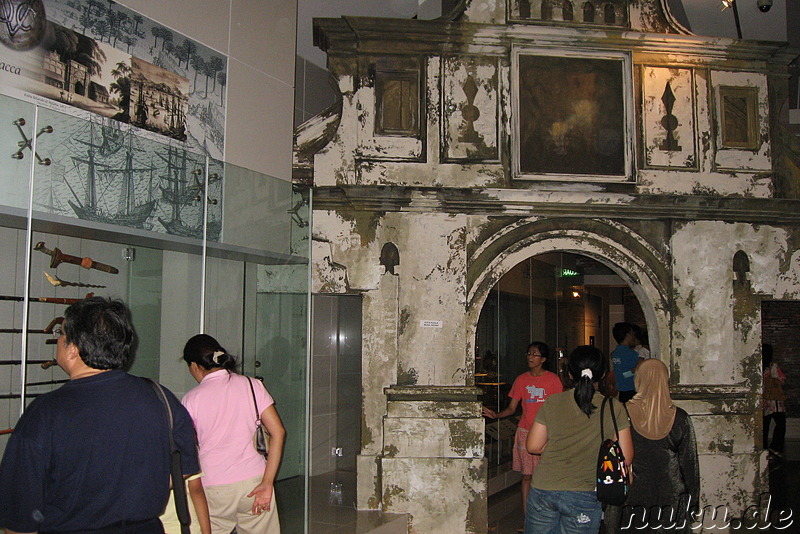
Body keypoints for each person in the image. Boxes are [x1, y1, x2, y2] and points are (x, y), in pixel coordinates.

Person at [0, 296, 200, 534]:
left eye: (62, 334)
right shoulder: (160, 396)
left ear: (73, 349)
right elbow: (183, 468)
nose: (59, 340)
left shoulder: (46, 411)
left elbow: (20, 514)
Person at [182, 334, 286, 534]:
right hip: (255, 481)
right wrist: (267, 482)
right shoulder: (252, 385)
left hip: (213, 486)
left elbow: (188, 447)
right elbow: (278, 432)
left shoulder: (191, 400)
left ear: (195, 365)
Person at [525, 345, 633, 534]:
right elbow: (626, 456)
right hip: (585, 491)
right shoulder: (613, 407)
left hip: (544, 488)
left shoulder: (553, 402)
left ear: (570, 374)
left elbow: (533, 446)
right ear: (603, 374)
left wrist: (561, 444)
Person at [482, 342, 563, 528]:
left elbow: (558, 408)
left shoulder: (553, 380)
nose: (530, 357)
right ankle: (528, 518)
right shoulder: (521, 380)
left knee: (545, 475)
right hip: (526, 431)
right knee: (527, 476)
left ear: (543, 359)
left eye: (534, 354)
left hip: (546, 433)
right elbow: (512, 408)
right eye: (528, 353)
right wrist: (496, 415)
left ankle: (547, 515)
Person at [618, 358, 699, 533]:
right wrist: (692, 504)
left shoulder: (623, 413)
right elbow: (689, 465)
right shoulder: (680, 418)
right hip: (672, 496)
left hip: (635, 495)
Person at [762, 343, 786, 458]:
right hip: (776, 401)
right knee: (781, 424)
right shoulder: (773, 366)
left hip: (764, 400)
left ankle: (763, 448)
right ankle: (776, 447)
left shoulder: (759, 366)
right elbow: (782, 379)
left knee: (764, 426)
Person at [611, 323, 643, 402]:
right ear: (628, 335)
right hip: (632, 390)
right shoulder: (632, 354)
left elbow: (620, 373)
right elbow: (632, 372)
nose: (634, 337)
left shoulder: (615, 353)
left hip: (620, 391)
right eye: (632, 334)